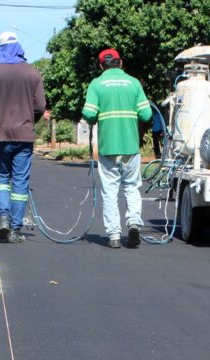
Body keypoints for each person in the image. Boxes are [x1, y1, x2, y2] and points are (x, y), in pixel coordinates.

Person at [0, 31, 46, 243]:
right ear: (19, 47)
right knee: (20, 182)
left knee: (1, 179)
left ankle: (4, 219)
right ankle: (16, 230)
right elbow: (41, 106)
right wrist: (27, 116)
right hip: (24, 136)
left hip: (1, 134)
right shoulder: (33, 73)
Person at [81, 48, 153, 249]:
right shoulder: (134, 83)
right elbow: (147, 115)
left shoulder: (96, 84)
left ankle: (113, 235)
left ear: (101, 65)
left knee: (110, 191)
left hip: (108, 147)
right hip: (130, 146)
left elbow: (88, 114)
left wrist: (95, 117)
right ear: (120, 63)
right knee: (131, 187)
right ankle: (134, 225)